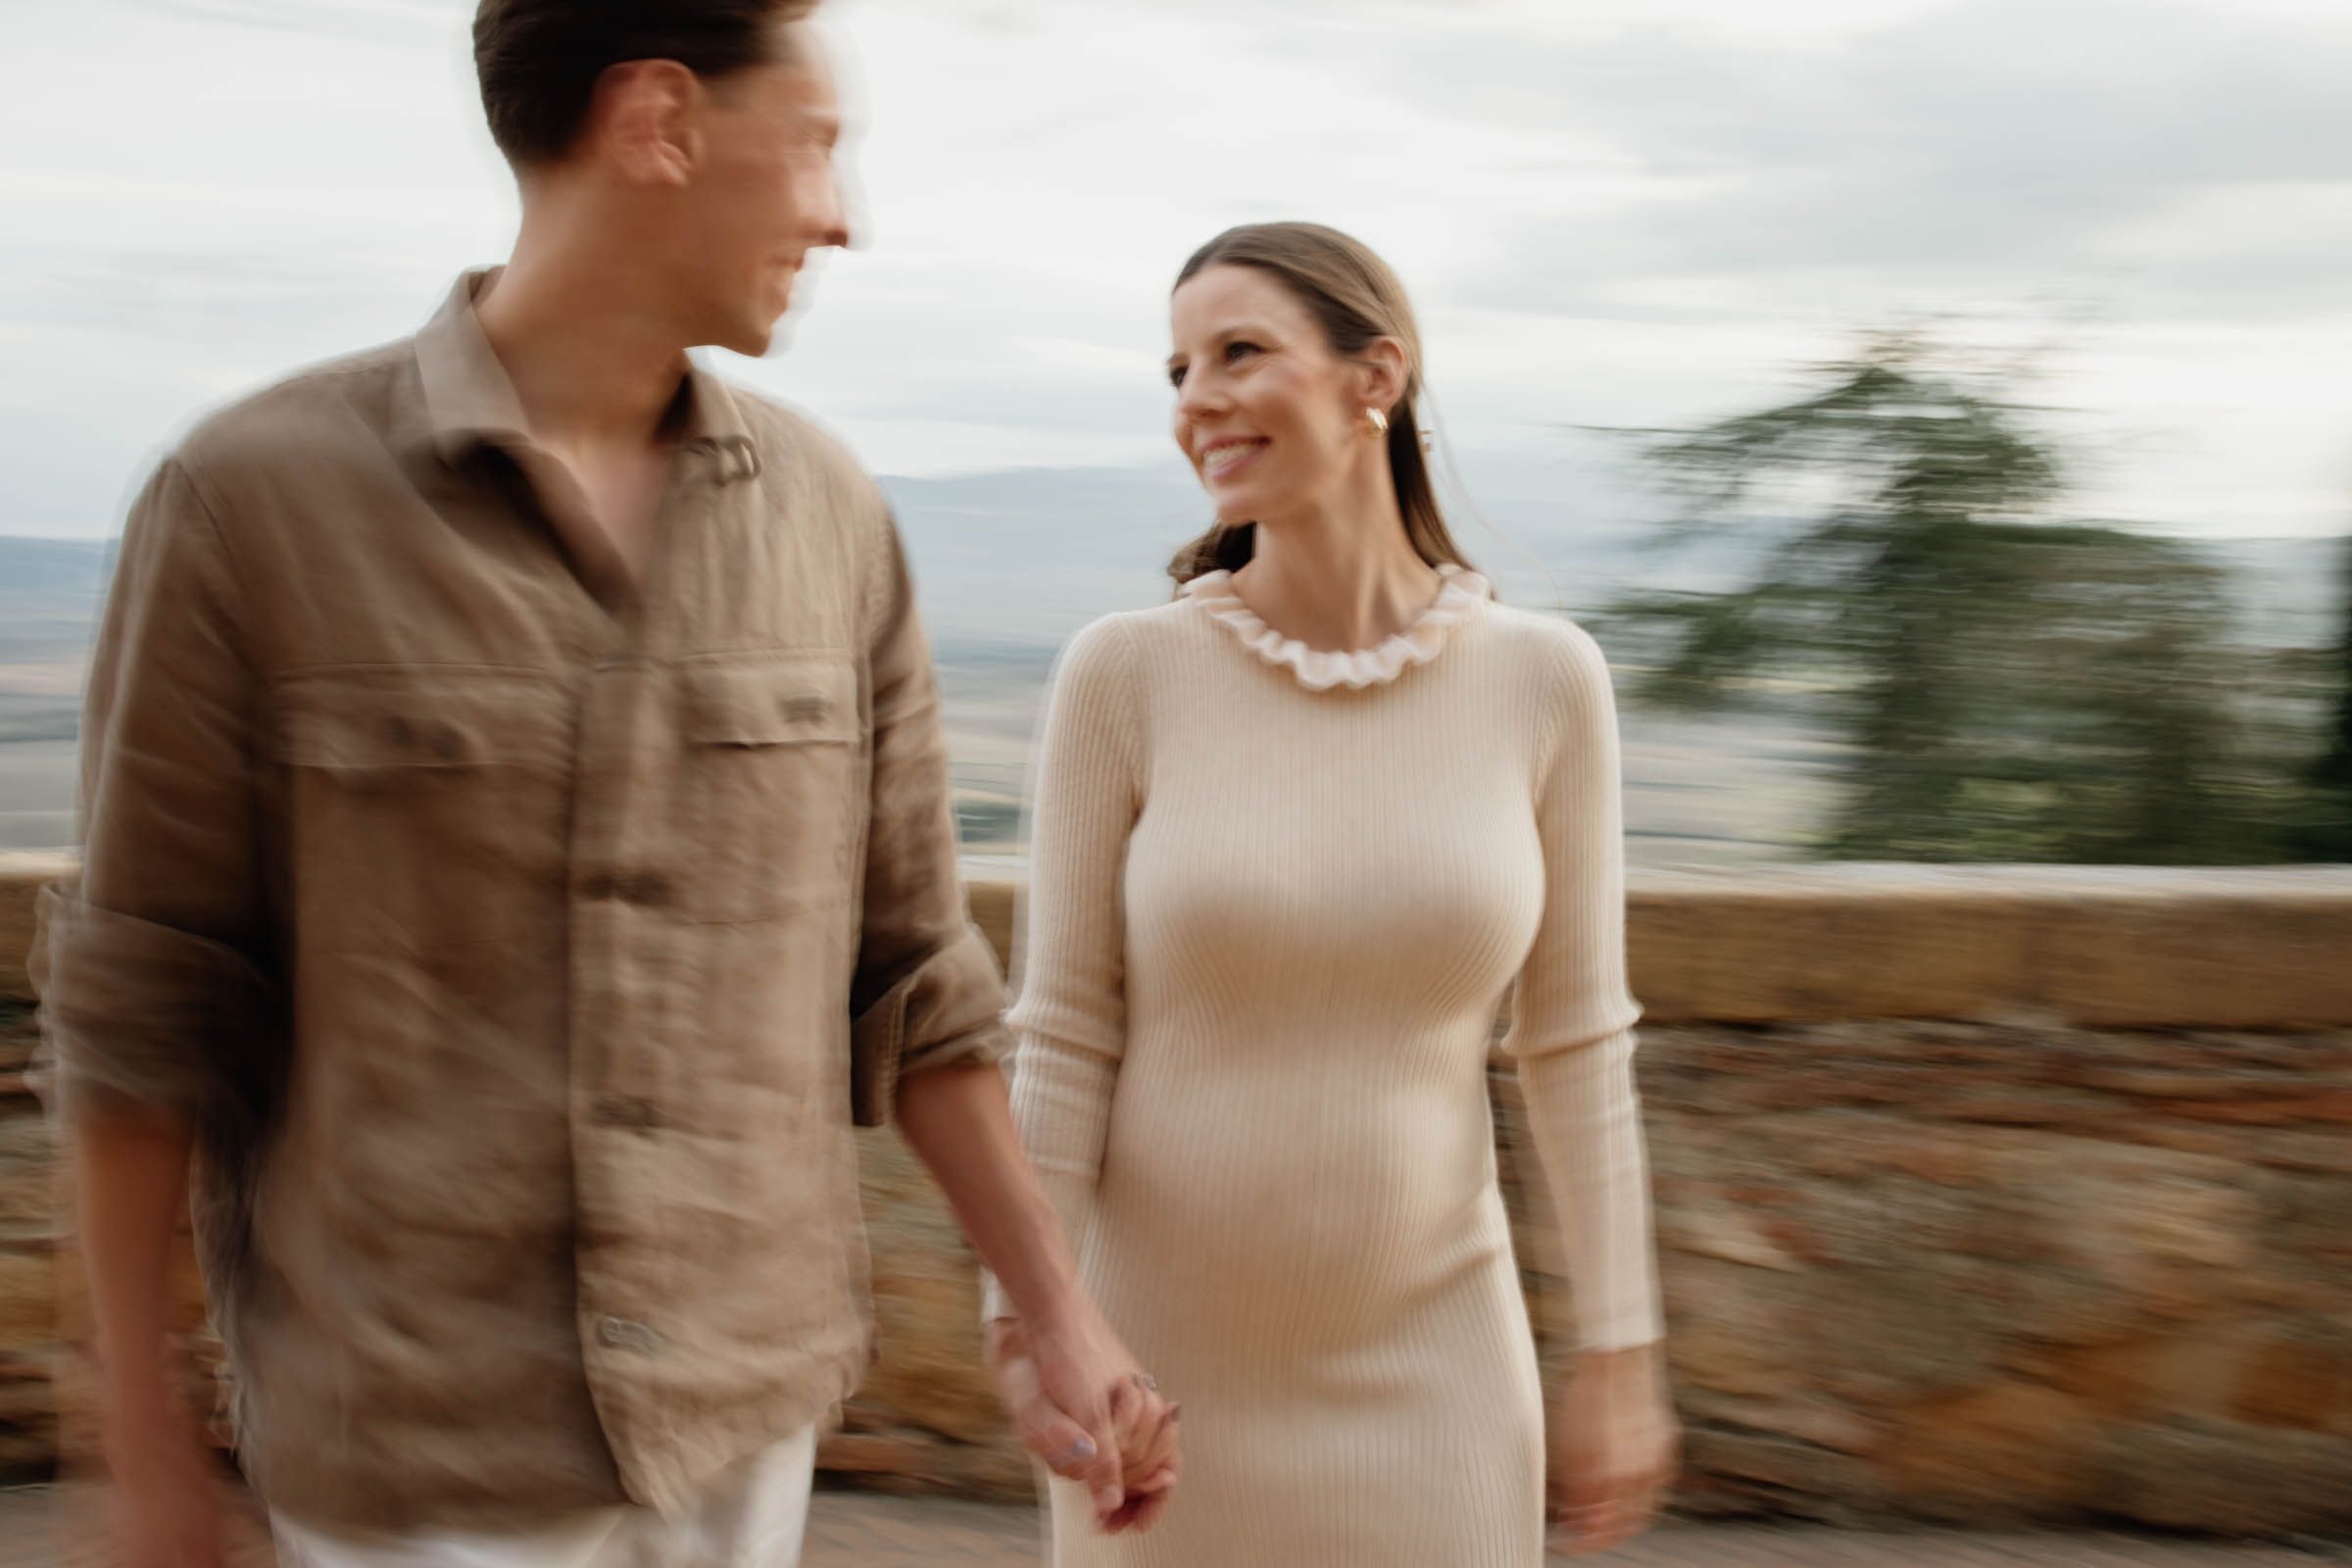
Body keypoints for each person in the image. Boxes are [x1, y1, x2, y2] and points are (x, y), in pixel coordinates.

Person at [29, 4, 1174, 1564]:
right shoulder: (249, 503)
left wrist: (1058, 1316)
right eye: (819, 142)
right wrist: (146, 1438)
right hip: (410, 1459)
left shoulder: (831, 518)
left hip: (746, 1437)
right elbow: (147, 1004)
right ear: (659, 123)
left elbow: (915, 978)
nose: (844, 213)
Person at [979, 221, 1680, 1565]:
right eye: (1179, 369)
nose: (1198, 400)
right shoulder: (1125, 675)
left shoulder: (1545, 681)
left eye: (1240, 351)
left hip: (1442, 1373)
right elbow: (1061, 1041)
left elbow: (1579, 1048)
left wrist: (1622, 1355)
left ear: (1377, 379)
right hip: (1157, 1379)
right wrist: (1034, 1336)